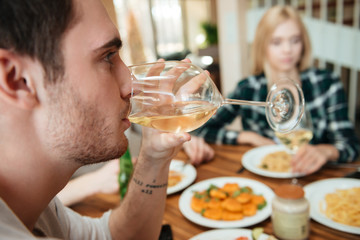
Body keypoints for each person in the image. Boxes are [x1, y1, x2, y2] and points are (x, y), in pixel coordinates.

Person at [0, 0, 192, 239]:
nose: (132, 86)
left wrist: (154, 157)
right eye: (107, 56)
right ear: (18, 80)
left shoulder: (32, 205)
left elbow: (111, 236)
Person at [193, 5, 359, 175]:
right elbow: (201, 129)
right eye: (276, 42)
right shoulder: (248, 88)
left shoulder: (327, 84)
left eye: (295, 40)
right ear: (263, 45)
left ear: (304, 43)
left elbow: (351, 146)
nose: (287, 49)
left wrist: (326, 151)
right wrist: (251, 138)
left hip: (315, 177)